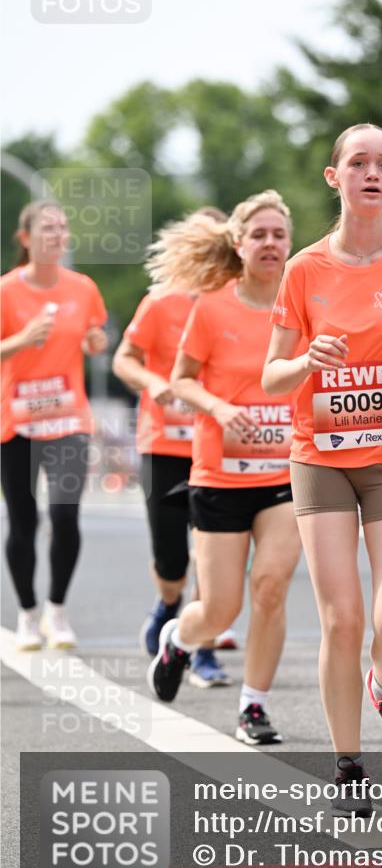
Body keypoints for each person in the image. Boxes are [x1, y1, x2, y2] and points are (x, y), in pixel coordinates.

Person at [262, 125, 382, 811]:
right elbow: (271, 374)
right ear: (332, 177)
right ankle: (348, 765)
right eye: (358, 163)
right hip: (320, 459)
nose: (373, 174)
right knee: (342, 620)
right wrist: (305, 362)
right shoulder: (305, 269)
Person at [147, 191, 302, 745]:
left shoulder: (304, 305)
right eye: (258, 234)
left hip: (286, 474)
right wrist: (218, 407)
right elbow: (182, 377)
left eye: (278, 234)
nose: (269, 243)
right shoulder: (212, 306)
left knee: (270, 587)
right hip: (219, 475)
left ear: (289, 243)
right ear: (238, 245)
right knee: (219, 609)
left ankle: (253, 706)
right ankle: (180, 641)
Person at [112, 206, 232, 688]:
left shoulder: (237, 300)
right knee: (172, 558)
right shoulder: (161, 302)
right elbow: (124, 358)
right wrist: (152, 383)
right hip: (164, 441)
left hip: (219, 449)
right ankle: (166, 605)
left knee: (213, 550)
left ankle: (202, 652)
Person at [1, 200, 107, 650]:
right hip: (16, 422)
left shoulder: (83, 288)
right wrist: (20, 341)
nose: (57, 235)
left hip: (67, 419)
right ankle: (26, 613)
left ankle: (56, 611)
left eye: (62, 228)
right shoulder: (6, 292)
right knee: (23, 521)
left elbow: (94, 336)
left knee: (65, 516)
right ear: (25, 238)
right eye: (47, 228)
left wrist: (95, 342)